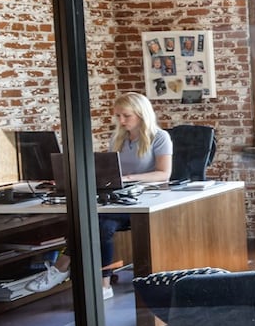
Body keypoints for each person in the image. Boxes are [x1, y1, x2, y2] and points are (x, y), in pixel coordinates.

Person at [22, 92, 174, 295]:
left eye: (126, 116)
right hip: (117, 198)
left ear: (141, 114)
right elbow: (108, 169)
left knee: (96, 222)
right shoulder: (118, 138)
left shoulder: (160, 137)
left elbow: (164, 174)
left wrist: (128, 178)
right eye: (118, 115)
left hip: (141, 200)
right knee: (93, 222)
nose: (121, 121)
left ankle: (65, 268)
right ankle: (100, 284)